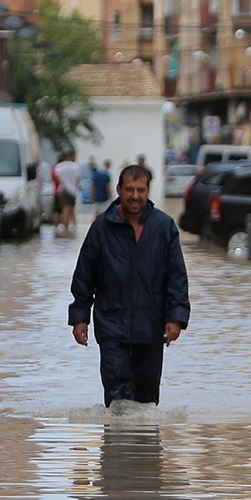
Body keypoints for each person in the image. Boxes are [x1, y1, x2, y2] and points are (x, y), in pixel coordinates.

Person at [69, 164, 190, 407]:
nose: (135, 196)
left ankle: (143, 446)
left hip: (151, 325)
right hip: (112, 324)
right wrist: (80, 316)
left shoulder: (163, 227)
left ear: (148, 191)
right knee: (117, 399)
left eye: (141, 190)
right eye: (130, 190)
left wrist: (176, 317)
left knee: (146, 400)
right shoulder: (101, 228)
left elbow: (176, 277)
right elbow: (84, 276)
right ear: (119, 190)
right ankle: (117, 445)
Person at [53, 150, 82, 235]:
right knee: (71, 209)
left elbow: (56, 176)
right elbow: (78, 180)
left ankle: (65, 228)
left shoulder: (59, 166)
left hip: (63, 190)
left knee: (65, 209)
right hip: (72, 190)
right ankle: (73, 228)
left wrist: (63, 183)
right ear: (71, 157)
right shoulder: (75, 166)